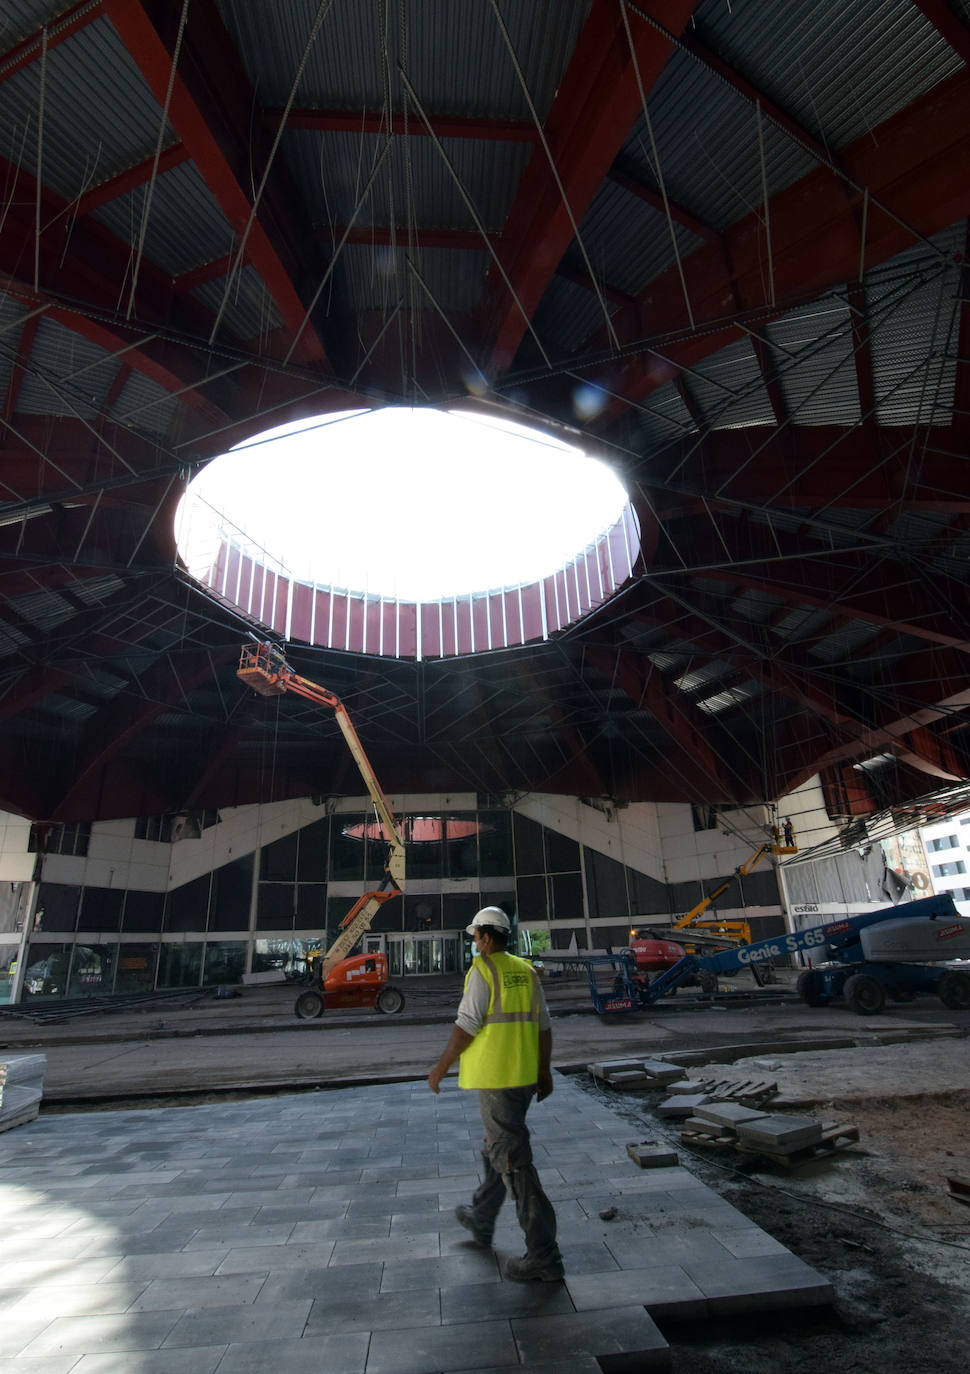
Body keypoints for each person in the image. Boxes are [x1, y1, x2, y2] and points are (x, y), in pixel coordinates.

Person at [427, 906, 562, 1282]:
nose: (474, 943)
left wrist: (440, 1069)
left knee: (514, 1162)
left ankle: (543, 1255)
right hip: (522, 1079)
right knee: (496, 1147)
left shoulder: (483, 971)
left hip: (496, 1080)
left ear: (487, 937)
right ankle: (482, 1219)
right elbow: (544, 1026)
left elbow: (465, 1027)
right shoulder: (526, 971)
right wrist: (544, 1071)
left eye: (475, 937)